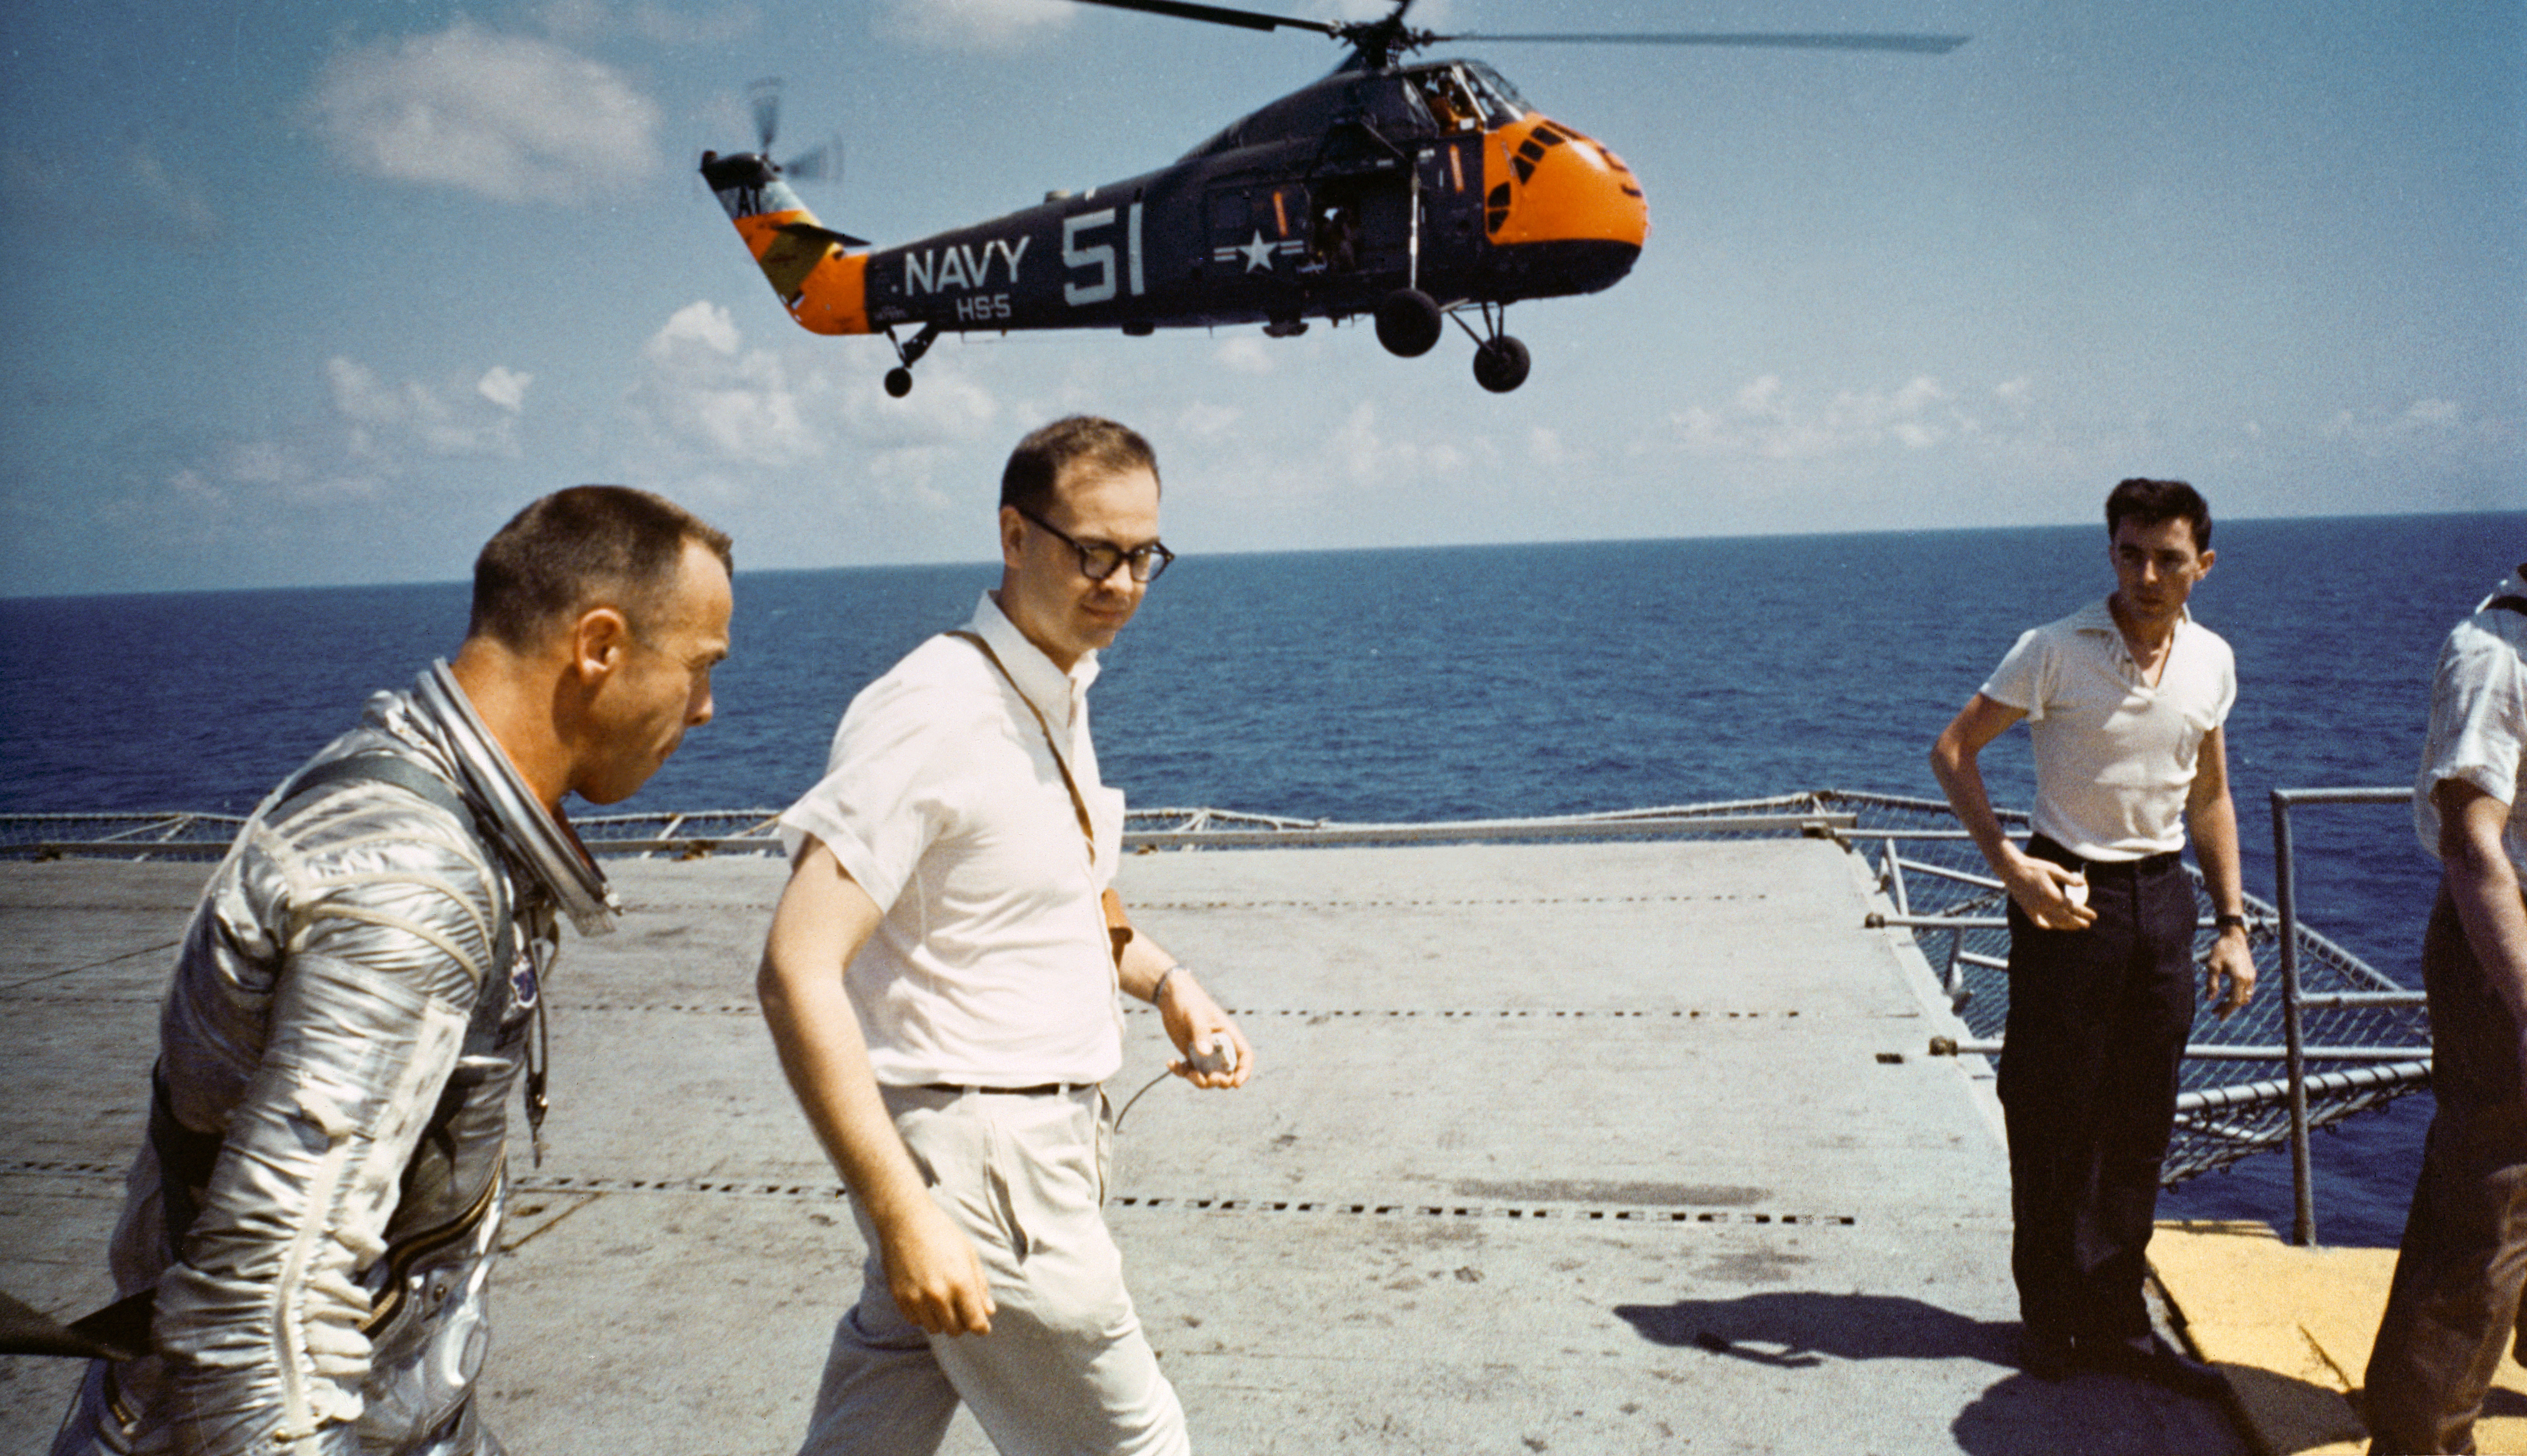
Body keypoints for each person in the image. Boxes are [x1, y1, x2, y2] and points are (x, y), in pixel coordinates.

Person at [52, 486, 733, 1456]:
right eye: (700, 668)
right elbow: (261, 1317)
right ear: (599, 646)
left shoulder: (429, 811)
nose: (707, 710)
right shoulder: (413, 884)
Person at [759, 415, 1251, 1456]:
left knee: (872, 1432)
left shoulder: (1052, 683)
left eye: (1142, 556)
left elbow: (1067, 899)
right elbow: (796, 965)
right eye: (1093, 550)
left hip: (1000, 1150)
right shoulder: (936, 711)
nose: (1120, 582)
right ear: (1014, 536)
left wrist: (1169, 983)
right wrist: (901, 1209)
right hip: (985, 1165)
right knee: (1136, 1443)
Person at [1928, 478, 2254, 1397]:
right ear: (2109, 552)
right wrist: (2010, 867)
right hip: (2067, 891)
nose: (2145, 575)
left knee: (2139, 1117)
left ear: (2203, 565)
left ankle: (2115, 1315)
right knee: (2048, 1110)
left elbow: (2209, 795)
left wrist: (2230, 923)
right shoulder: (2052, 649)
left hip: (2163, 900)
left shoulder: (2211, 661)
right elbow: (1953, 750)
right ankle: (2052, 1316)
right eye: (2128, 553)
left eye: (2167, 558)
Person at [2362, 563, 2527, 1453]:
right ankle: (2419, 1437)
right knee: (2491, 1196)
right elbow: (2471, 843)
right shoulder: (2495, 654)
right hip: (2504, 946)